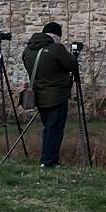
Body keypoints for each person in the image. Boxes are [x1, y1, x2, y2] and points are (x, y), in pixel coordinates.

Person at [21, 22, 79, 168]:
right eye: (59, 37)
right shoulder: (55, 48)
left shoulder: (28, 50)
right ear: (55, 35)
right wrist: (73, 55)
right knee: (55, 129)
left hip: (38, 95)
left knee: (48, 127)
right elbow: (72, 65)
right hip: (56, 95)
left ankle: (46, 159)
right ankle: (49, 161)